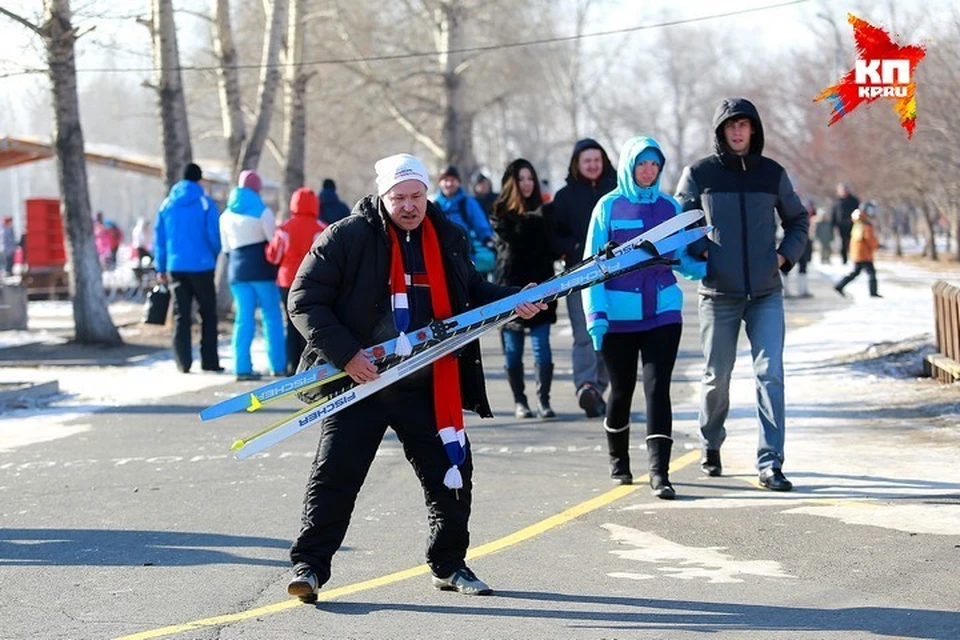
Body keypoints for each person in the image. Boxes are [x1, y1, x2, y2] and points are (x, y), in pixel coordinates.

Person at [284, 153, 544, 603]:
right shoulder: (347, 237)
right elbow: (304, 299)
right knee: (335, 476)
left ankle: (449, 564)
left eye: (416, 196)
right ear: (382, 196)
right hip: (359, 382)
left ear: (427, 194)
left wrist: (513, 300)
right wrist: (346, 355)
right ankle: (310, 567)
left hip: (426, 382)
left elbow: (472, 293)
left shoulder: (447, 236)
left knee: (451, 471)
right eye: (399, 197)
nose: (409, 206)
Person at [675, 97, 809, 492]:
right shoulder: (699, 174)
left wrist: (785, 256)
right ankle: (711, 441)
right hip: (718, 294)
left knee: (771, 375)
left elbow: (798, 219)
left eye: (744, 125)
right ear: (721, 131)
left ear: (753, 130)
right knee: (718, 377)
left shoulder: (772, 174)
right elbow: (680, 221)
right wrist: (704, 253)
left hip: (766, 292)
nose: (737, 131)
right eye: (731, 125)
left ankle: (770, 463)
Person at [585, 137, 706, 496]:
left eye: (655, 164)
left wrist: (703, 267)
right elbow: (591, 268)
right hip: (617, 317)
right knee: (621, 390)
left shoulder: (670, 207)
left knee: (658, 389)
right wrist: (596, 316)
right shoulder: (608, 207)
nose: (649, 171)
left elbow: (681, 258)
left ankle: (660, 473)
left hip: (663, 313)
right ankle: (619, 461)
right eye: (642, 164)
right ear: (629, 166)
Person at [545, 138, 617, 418]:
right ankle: (586, 385)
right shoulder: (563, 197)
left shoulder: (616, 193)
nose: (592, 165)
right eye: (586, 161)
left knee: (609, 334)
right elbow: (553, 235)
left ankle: (599, 386)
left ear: (604, 162)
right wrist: (574, 248)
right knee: (584, 333)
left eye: (596, 160)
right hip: (578, 275)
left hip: (615, 274)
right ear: (577, 164)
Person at [491, 159, 559, 420]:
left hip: (542, 286)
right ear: (512, 182)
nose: (527, 183)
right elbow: (513, 239)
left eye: (530, 178)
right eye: (522, 179)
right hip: (510, 289)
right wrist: (533, 221)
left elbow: (552, 245)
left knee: (542, 346)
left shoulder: (546, 211)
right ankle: (520, 401)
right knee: (513, 349)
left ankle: (544, 400)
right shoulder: (500, 212)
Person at [154, 162, 223, 374]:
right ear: (199, 179)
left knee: (181, 315)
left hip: (176, 266)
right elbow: (213, 234)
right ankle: (209, 361)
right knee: (208, 313)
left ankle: (182, 362)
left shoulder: (167, 204)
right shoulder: (204, 202)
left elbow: (160, 238)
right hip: (202, 266)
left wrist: (161, 266)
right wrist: (212, 254)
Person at [220, 170, 286, 381]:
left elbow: (226, 247)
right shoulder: (262, 211)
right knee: (271, 317)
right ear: (257, 188)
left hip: (237, 272)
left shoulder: (225, 215)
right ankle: (278, 365)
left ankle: (242, 367)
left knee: (243, 319)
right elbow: (273, 241)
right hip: (262, 270)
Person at [276, 187, 328, 376]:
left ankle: (290, 366)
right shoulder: (321, 228)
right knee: (309, 324)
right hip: (311, 280)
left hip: (286, 280)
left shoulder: (284, 228)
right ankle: (306, 367)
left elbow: (274, 255)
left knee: (290, 323)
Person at [834, 205, 881, 298]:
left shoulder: (857, 224)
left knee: (855, 273)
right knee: (871, 273)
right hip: (864, 254)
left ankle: (840, 286)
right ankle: (873, 292)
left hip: (857, 253)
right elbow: (869, 239)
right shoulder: (865, 225)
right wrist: (877, 245)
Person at [831, 182, 859, 264]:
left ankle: (854, 258)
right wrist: (833, 225)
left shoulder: (854, 200)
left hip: (852, 224)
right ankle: (844, 260)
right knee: (843, 243)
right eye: (842, 190)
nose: (844, 191)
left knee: (852, 242)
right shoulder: (836, 201)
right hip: (841, 226)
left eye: (845, 190)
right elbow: (834, 214)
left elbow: (858, 211)